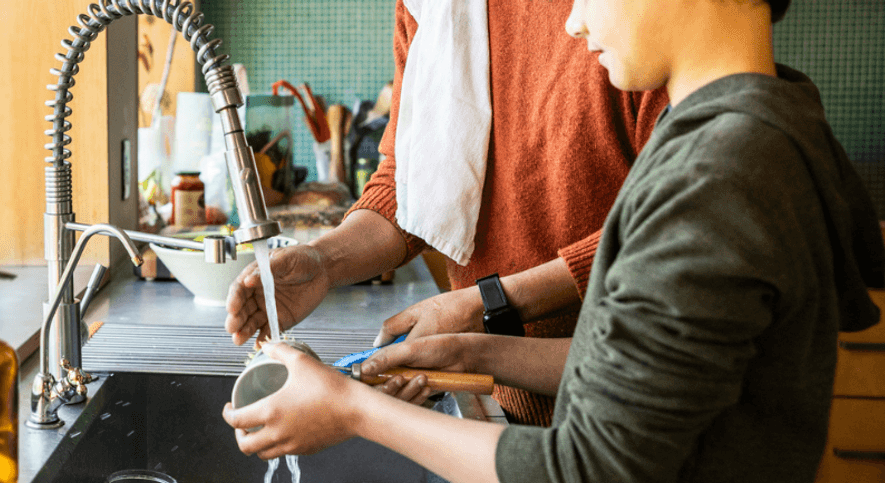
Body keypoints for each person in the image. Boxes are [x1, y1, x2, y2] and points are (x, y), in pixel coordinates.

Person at [223, 0, 885, 483]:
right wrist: (476, 352)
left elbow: (590, 476)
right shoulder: (745, 128)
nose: (571, 22)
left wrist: (353, 411)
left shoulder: (716, 171)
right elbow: (656, 368)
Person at [225, 1, 669, 429]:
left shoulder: (627, 17)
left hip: (639, 386)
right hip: (503, 390)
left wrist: (487, 306)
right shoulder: (428, 5)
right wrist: (325, 262)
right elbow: (413, 177)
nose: (575, 23)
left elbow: (671, 229)